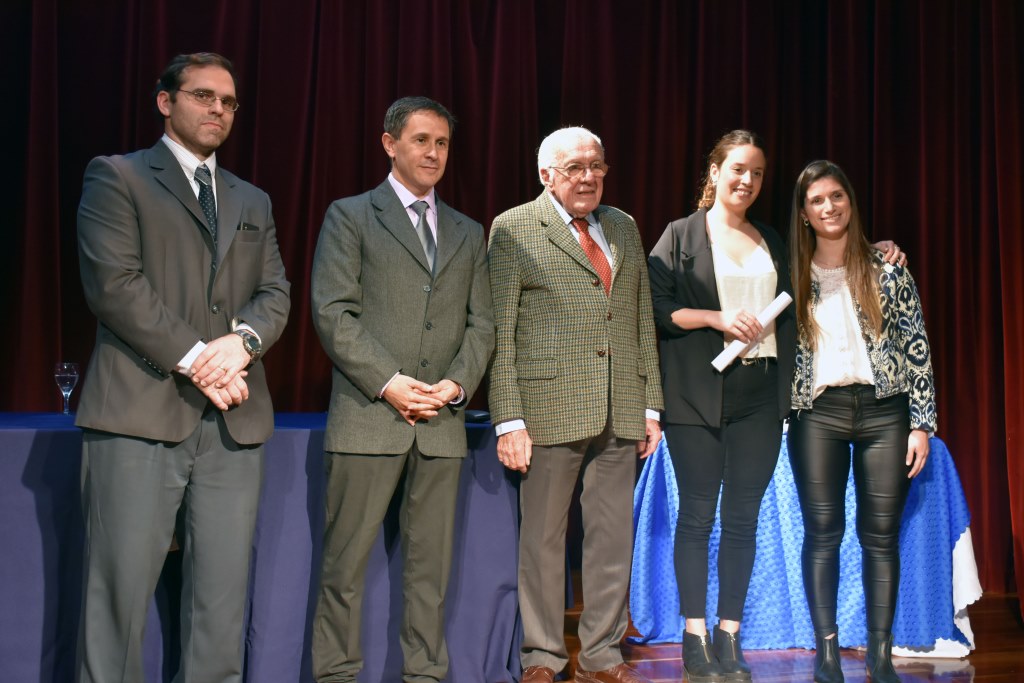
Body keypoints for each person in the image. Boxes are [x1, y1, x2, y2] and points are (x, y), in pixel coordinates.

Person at [647, 131, 904, 682]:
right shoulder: (679, 235)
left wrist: (881, 248)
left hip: (762, 395)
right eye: (737, 169)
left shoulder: (771, 240)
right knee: (696, 516)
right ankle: (694, 637)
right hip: (696, 394)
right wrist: (715, 318)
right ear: (714, 171)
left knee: (743, 520)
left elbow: (829, 265)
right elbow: (659, 308)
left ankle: (729, 634)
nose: (746, 181)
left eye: (757, 173)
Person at [75, 52, 291, 681]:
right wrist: (202, 359)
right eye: (203, 96)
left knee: (220, 606)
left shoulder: (252, 198)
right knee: (118, 601)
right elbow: (116, 285)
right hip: (139, 413)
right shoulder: (117, 177)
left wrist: (242, 343)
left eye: (227, 102)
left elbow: (274, 292)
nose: (217, 110)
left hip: (234, 425)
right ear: (166, 102)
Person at [309, 96, 494, 683]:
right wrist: (390, 384)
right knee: (344, 569)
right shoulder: (351, 215)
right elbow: (333, 312)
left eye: (442, 143)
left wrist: (456, 384)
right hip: (369, 418)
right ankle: (336, 675)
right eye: (421, 140)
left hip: (440, 426)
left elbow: (481, 323)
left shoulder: (467, 231)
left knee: (430, 574)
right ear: (389, 144)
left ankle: (426, 676)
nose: (434, 153)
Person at [488, 126, 663, 683]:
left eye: (596, 166)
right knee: (541, 540)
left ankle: (602, 654)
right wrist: (509, 418)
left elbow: (639, 320)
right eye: (574, 168)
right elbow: (501, 330)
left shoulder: (623, 227)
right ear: (547, 176)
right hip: (547, 408)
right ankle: (541, 655)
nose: (588, 177)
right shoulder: (514, 228)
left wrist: (650, 407)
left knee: (613, 538)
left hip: (620, 405)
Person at [786, 160, 936, 683]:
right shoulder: (791, 274)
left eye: (837, 197)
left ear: (850, 200)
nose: (829, 207)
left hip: (884, 412)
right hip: (818, 415)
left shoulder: (888, 266)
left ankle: (879, 654)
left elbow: (917, 348)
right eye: (816, 201)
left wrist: (922, 424)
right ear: (803, 214)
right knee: (822, 533)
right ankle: (828, 656)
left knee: (881, 536)